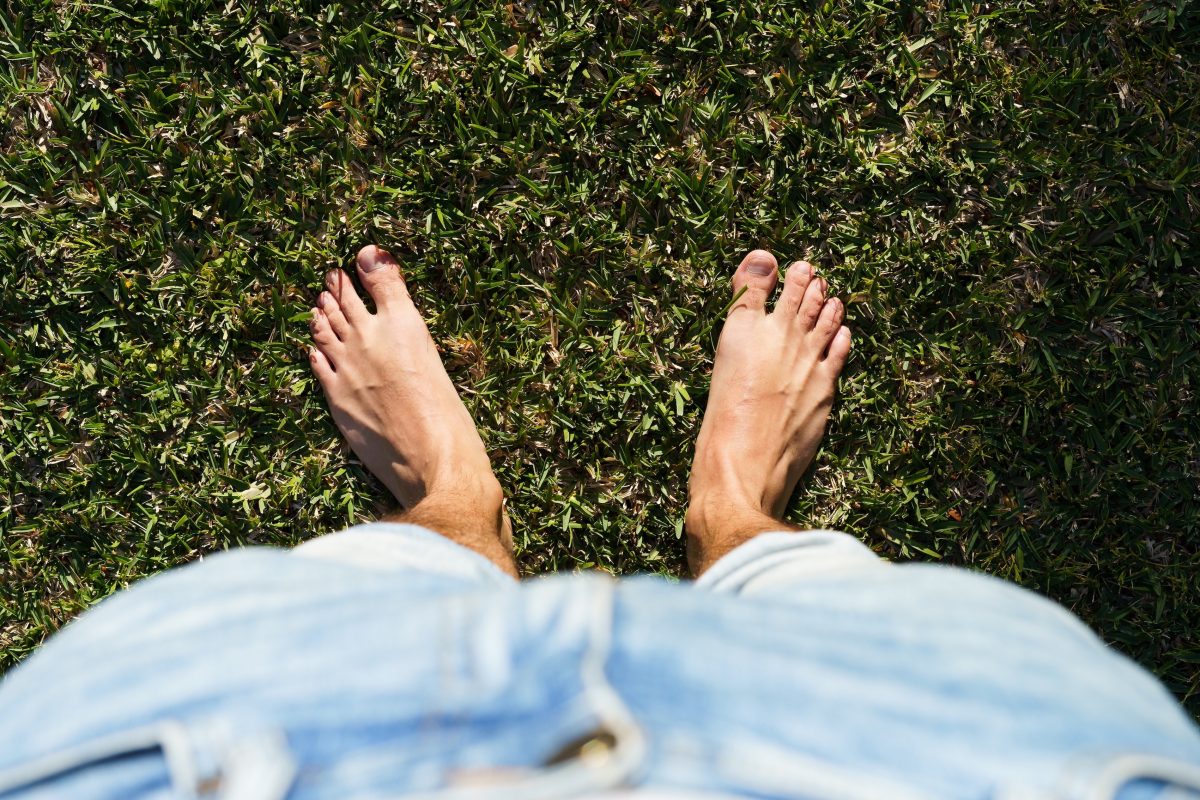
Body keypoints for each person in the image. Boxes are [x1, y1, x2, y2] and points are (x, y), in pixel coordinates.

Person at [0, 247, 1197, 800]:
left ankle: (457, 519)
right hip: (974, 770)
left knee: (374, 586)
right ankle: (734, 517)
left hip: (209, 754)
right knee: (818, 601)